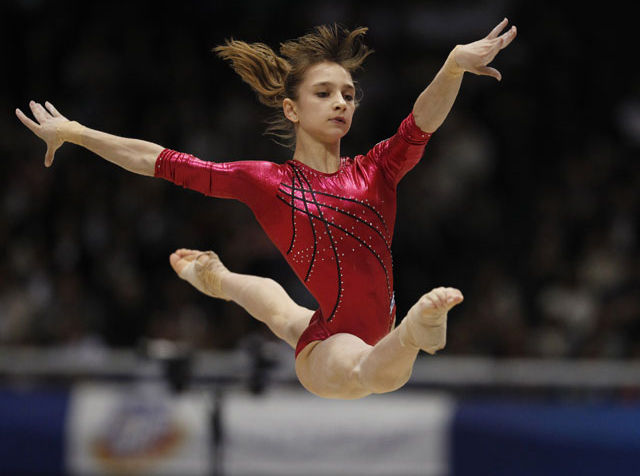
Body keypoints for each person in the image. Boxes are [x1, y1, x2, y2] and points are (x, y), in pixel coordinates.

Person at [16, 20, 517, 399]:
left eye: (348, 94)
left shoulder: (377, 170)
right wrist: (77, 133)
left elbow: (421, 122)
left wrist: (453, 65)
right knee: (367, 369)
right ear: (292, 109)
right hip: (332, 350)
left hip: (353, 329)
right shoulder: (266, 182)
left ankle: (217, 278)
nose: (341, 102)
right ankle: (415, 332)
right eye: (324, 93)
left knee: (281, 312)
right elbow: (159, 161)